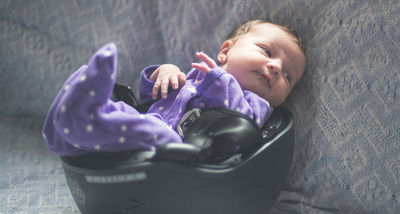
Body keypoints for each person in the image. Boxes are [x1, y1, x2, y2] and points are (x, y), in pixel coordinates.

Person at [42, 19, 306, 156]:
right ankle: (64, 132)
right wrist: (162, 74)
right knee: (124, 110)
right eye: (267, 51)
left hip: (181, 152)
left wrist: (220, 81)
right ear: (227, 50)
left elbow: (241, 124)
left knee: (154, 131)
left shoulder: (258, 105)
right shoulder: (196, 74)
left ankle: (84, 120)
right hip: (149, 120)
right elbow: (151, 100)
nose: (274, 67)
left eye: (287, 75)